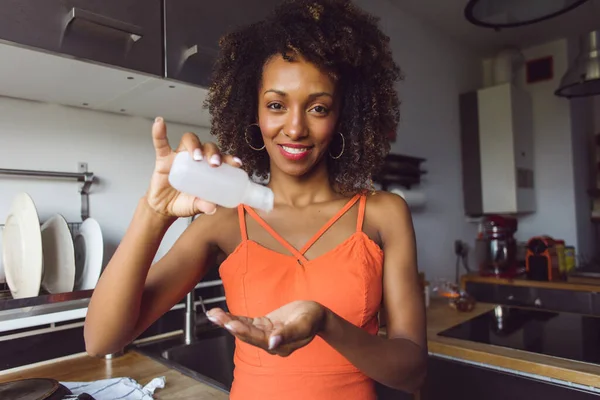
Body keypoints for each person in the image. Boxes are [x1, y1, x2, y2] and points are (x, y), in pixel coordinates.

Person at [84, 0, 427, 398]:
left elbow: (412, 371)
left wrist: (325, 323)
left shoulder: (384, 214)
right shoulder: (224, 221)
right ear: (255, 112)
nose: (295, 128)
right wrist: (154, 212)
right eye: (277, 105)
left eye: (318, 108)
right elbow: (101, 340)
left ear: (342, 117)